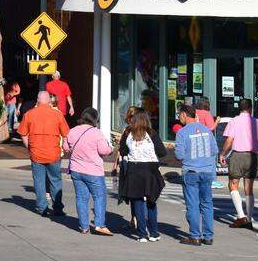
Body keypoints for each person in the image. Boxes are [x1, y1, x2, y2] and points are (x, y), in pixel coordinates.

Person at [18, 90, 70, 217]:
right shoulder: (57, 115)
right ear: (49, 101)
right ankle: (58, 208)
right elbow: (66, 134)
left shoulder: (29, 114)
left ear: (37, 100)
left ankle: (42, 208)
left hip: (36, 153)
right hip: (54, 154)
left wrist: (29, 147)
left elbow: (23, 134)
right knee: (55, 180)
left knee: (39, 181)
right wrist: (64, 148)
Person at [63, 107, 114, 235]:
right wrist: (111, 149)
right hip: (93, 171)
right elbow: (103, 150)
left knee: (81, 198)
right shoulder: (97, 133)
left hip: (76, 170)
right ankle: (99, 224)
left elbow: (66, 148)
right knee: (99, 197)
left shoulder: (72, 131)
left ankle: (84, 227)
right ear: (95, 119)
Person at [118, 110, 166, 242]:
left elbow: (122, 151)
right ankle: (154, 233)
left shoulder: (128, 133)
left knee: (137, 202)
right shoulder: (151, 133)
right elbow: (162, 152)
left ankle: (142, 234)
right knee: (151, 201)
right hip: (151, 169)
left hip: (134, 169)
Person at [174, 103, 218, 245]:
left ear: (184, 114)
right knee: (207, 204)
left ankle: (195, 236)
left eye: (179, 115)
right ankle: (208, 236)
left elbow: (179, 155)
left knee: (193, 205)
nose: (179, 118)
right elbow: (214, 150)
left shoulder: (182, 132)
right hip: (207, 171)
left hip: (191, 171)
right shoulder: (207, 130)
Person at [219, 98, 258, 229]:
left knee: (233, 184)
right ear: (250, 109)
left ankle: (241, 216)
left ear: (239, 108)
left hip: (238, 155)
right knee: (249, 188)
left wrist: (222, 154)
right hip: (252, 156)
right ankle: (249, 219)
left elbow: (229, 140)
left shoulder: (234, 121)